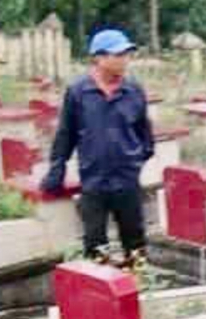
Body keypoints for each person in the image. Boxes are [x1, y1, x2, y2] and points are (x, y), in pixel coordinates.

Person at [41, 28, 153, 265]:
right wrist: (56, 170)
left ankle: (139, 287)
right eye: (118, 54)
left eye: (127, 54)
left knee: (135, 242)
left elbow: (144, 132)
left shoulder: (133, 90)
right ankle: (103, 294)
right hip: (94, 181)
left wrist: (135, 159)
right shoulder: (79, 91)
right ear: (99, 58)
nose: (125, 59)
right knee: (95, 245)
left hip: (127, 181)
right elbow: (65, 134)